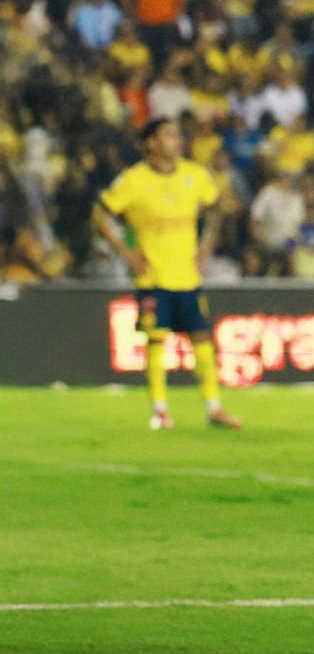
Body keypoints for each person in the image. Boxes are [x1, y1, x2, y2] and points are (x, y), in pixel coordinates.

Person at [94, 119, 242, 431]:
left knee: (202, 337)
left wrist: (207, 245)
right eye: (169, 135)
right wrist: (126, 252)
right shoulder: (134, 180)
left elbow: (218, 207)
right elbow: (100, 213)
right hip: (153, 278)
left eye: (178, 135)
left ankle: (214, 407)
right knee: (156, 340)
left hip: (187, 276)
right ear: (151, 143)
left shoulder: (195, 175)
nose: (177, 140)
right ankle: (160, 410)